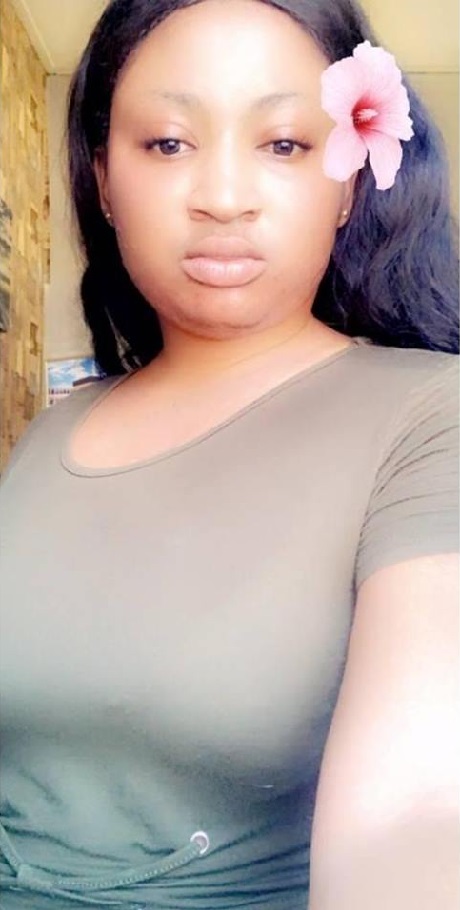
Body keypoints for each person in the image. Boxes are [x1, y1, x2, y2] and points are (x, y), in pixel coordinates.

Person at [0, 0, 458, 907]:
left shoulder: (434, 415)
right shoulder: (52, 432)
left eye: (283, 143)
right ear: (103, 178)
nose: (223, 195)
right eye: (168, 142)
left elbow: (416, 825)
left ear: (347, 181)